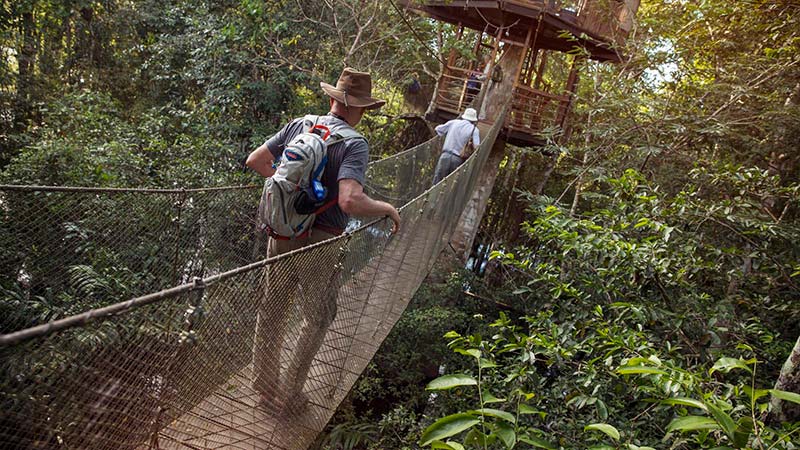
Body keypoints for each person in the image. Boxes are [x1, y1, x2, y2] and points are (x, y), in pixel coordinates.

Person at [245, 68, 401, 415]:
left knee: (272, 308)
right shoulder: (354, 144)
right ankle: (288, 394)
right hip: (320, 242)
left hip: (282, 232)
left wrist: (293, 193)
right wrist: (387, 208)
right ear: (361, 108)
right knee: (318, 316)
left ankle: (265, 388)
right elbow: (349, 201)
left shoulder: (300, 124)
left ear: (333, 98)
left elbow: (256, 161)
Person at [432, 107, 481, 184]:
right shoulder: (474, 130)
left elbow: (438, 129)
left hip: (445, 156)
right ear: (473, 120)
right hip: (458, 160)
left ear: (464, 115)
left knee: (437, 182)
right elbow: (477, 147)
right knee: (450, 184)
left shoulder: (453, 122)